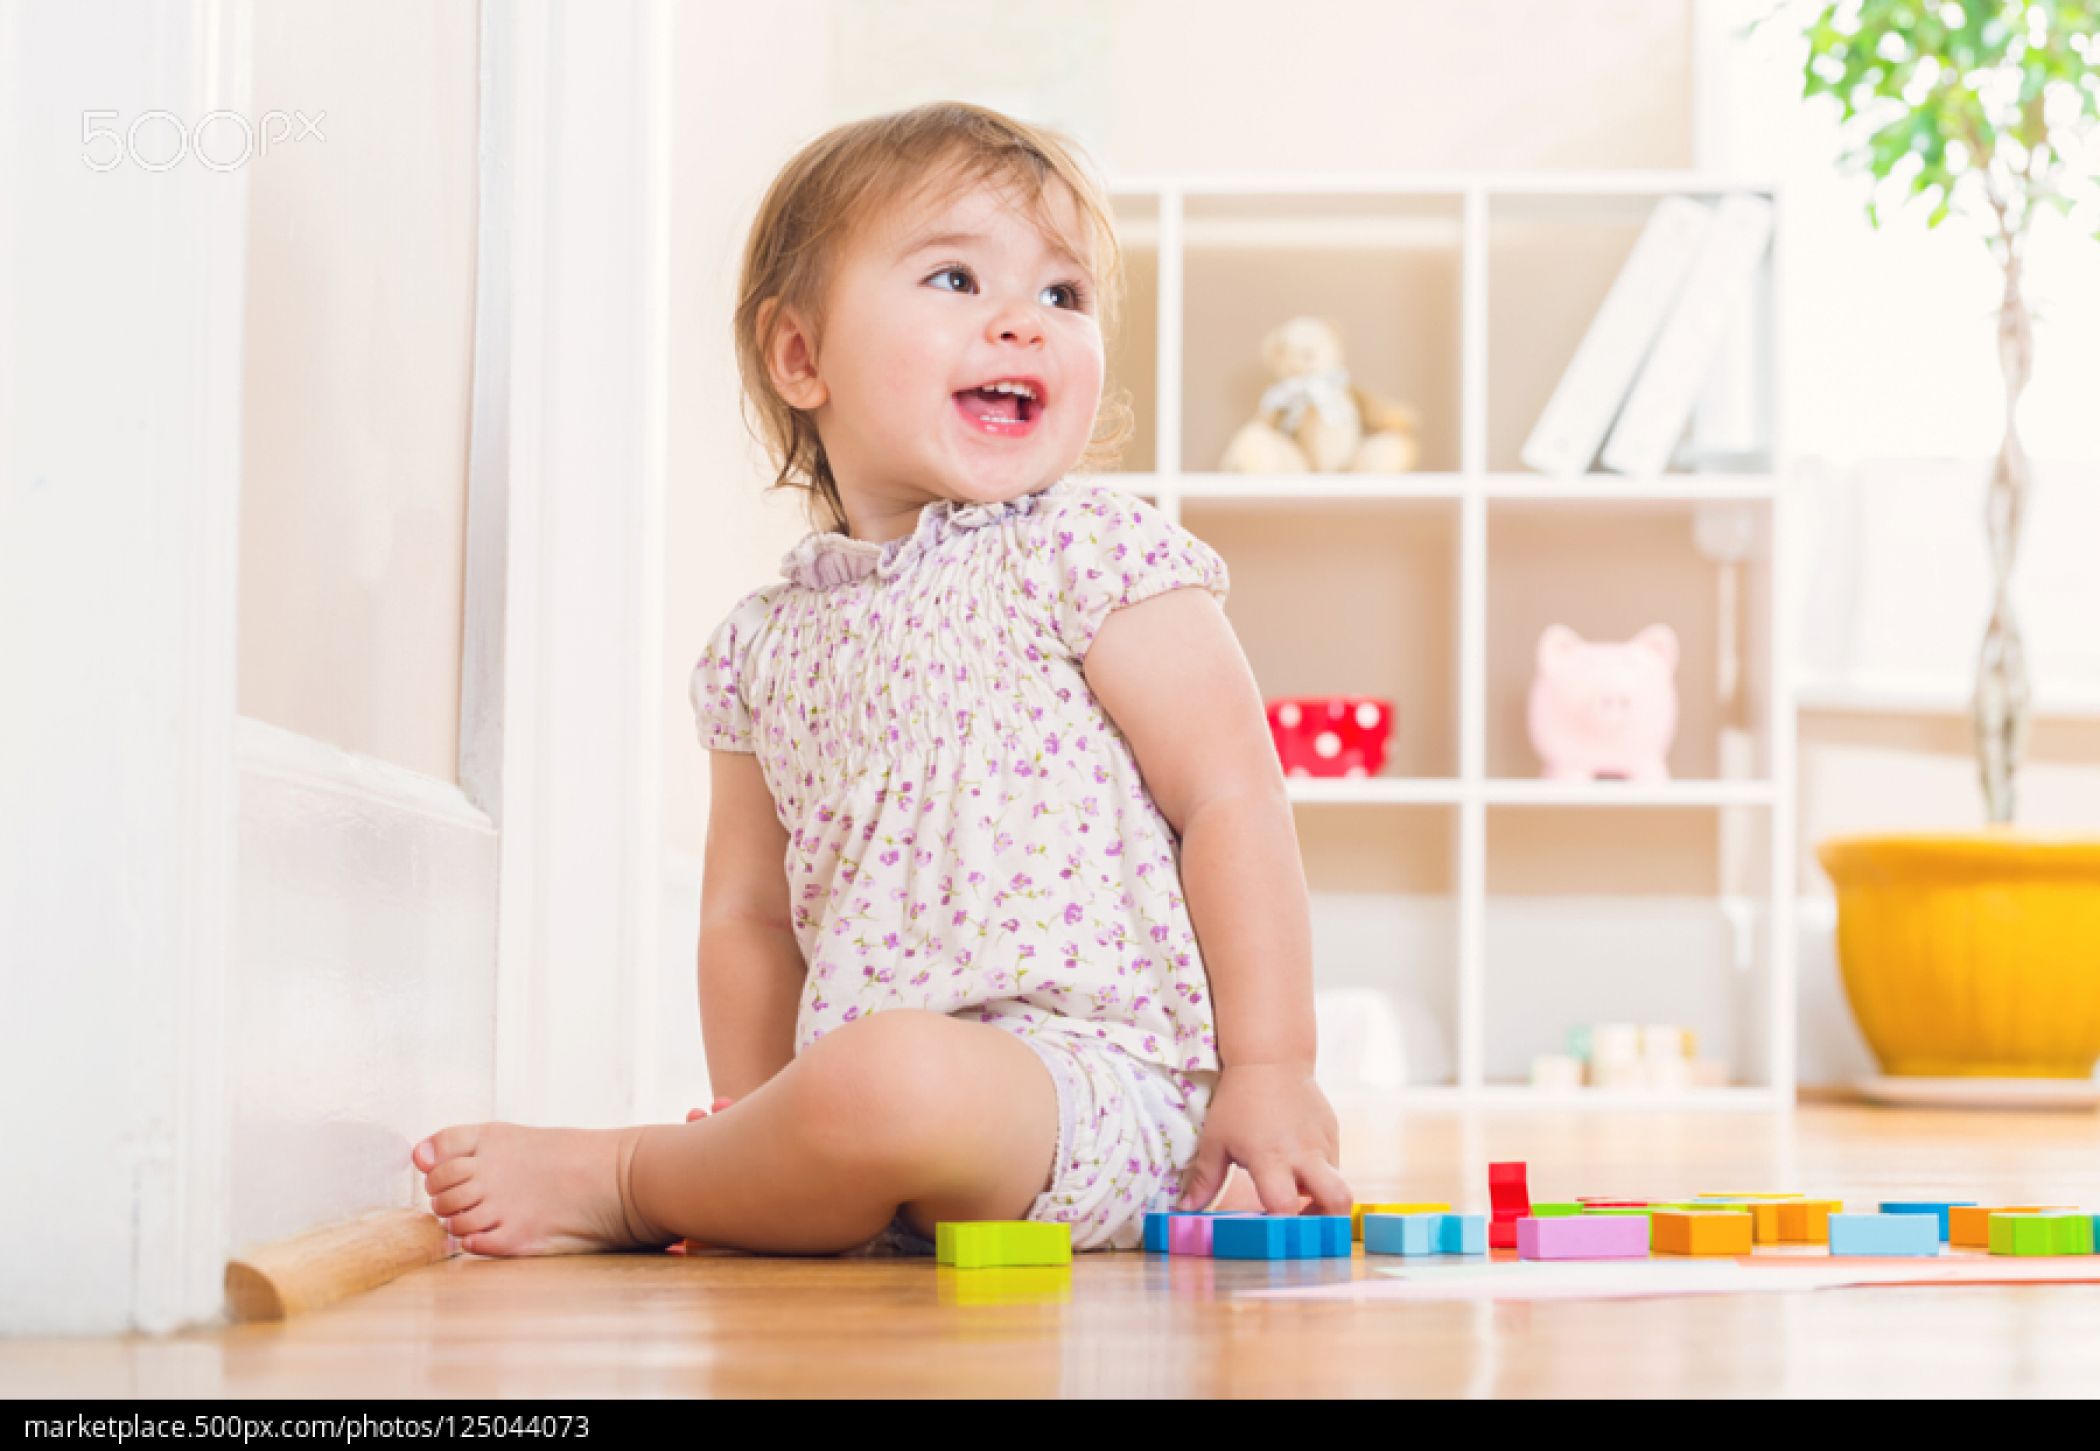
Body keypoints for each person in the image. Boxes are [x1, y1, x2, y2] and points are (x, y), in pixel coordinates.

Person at [413, 101, 1351, 1257]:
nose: (1023, 324)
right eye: (956, 278)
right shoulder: (762, 646)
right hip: (877, 1115)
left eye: (1063, 295)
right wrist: (762, 1135)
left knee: (890, 1072)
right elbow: (748, 918)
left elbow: (1235, 799)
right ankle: (742, 1170)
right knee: (873, 1077)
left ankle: (629, 1177)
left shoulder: (1093, 554)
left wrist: (1271, 1066)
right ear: (801, 355)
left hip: (1101, 1098)